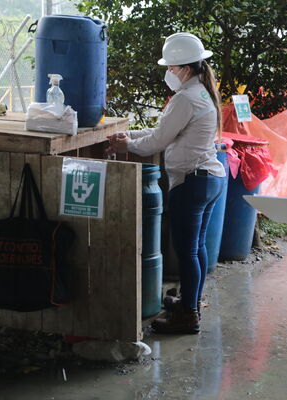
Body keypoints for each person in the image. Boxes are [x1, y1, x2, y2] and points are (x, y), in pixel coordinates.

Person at [107, 32, 226, 334]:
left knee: (187, 250)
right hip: (209, 179)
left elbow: (156, 142)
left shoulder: (185, 98)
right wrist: (130, 135)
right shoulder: (201, 93)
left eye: (172, 68)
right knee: (196, 247)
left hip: (192, 181)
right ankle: (191, 303)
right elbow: (164, 130)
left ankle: (188, 315)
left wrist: (125, 146)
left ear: (185, 68)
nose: (169, 73)